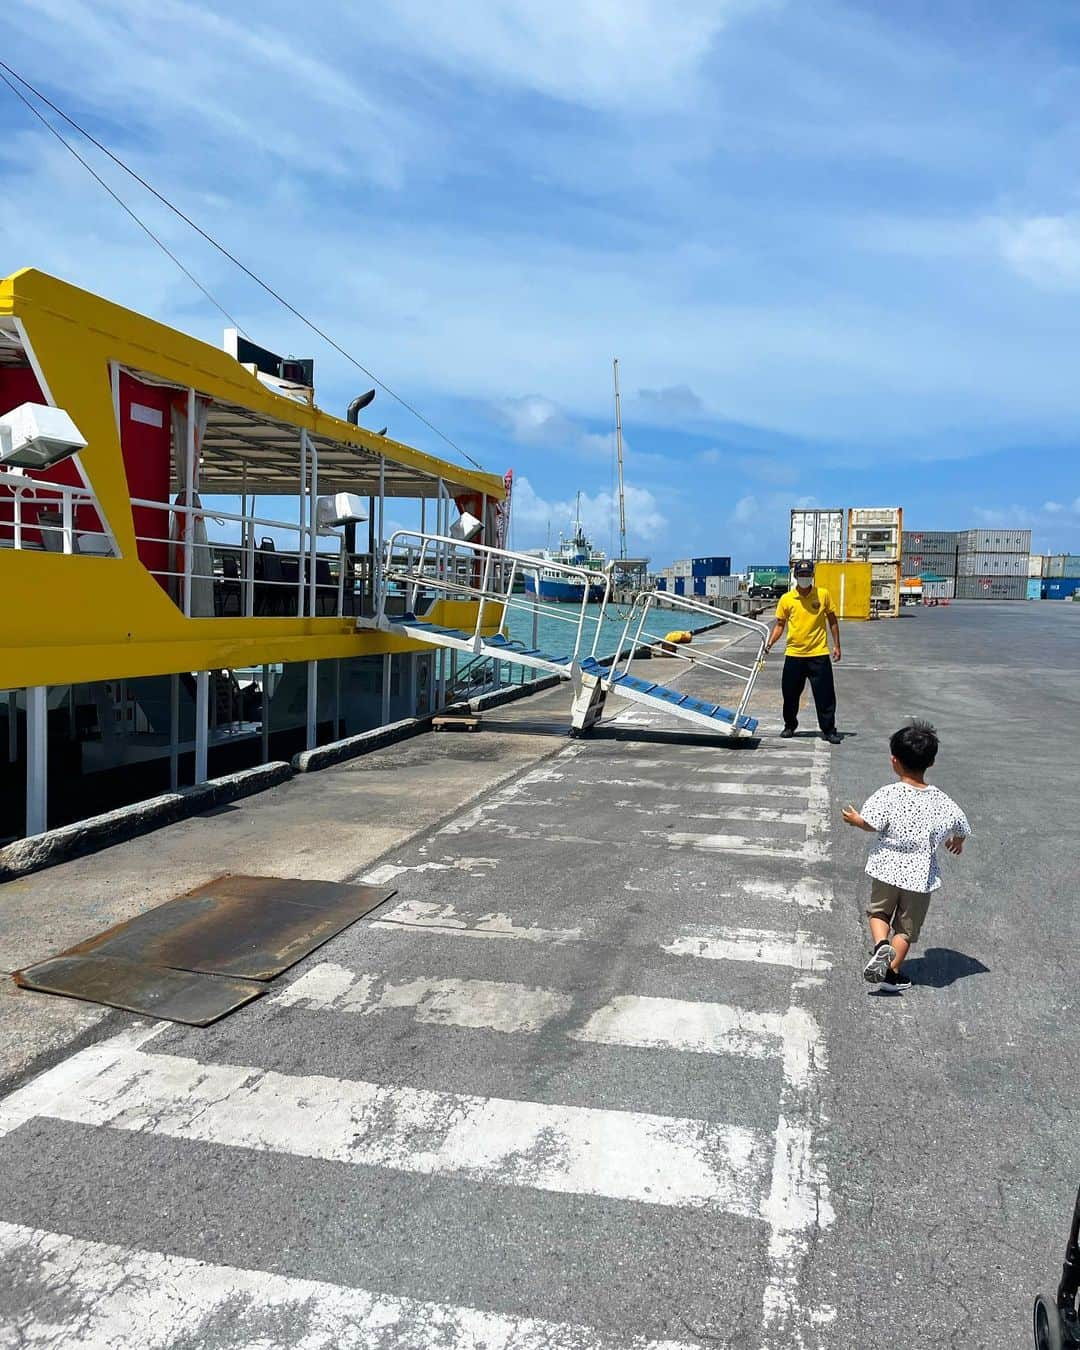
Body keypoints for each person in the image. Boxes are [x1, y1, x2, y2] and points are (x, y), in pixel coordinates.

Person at [842, 720, 971, 992]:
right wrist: (956, 841)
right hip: (919, 876)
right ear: (931, 762)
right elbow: (961, 824)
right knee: (905, 928)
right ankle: (892, 973)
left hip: (886, 868)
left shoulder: (887, 794)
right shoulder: (942, 801)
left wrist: (856, 820)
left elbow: (871, 823)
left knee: (879, 913)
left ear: (894, 760)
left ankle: (880, 946)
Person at [765, 560, 842, 743]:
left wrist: (837, 645)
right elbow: (780, 625)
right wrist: (770, 643)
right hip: (794, 655)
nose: (805, 578)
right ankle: (789, 725)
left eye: (808, 575)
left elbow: (832, 621)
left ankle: (829, 729)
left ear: (812, 576)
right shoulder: (787, 599)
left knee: (825, 696)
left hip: (818, 653)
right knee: (790, 695)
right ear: (796, 576)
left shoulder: (822, 595)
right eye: (801, 575)